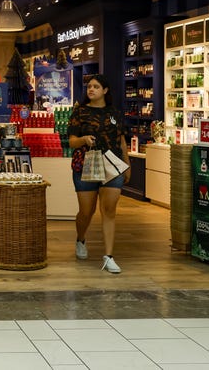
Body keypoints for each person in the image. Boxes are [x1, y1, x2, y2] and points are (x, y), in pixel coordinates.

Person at [67, 74, 130, 274]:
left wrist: (127, 164)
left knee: (109, 210)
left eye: (96, 86)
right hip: (86, 163)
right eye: (89, 86)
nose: (91, 89)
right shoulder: (80, 112)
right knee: (86, 211)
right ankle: (81, 239)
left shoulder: (115, 113)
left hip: (112, 164)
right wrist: (84, 139)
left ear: (105, 90)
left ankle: (109, 256)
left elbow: (121, 141)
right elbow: (71, 142)